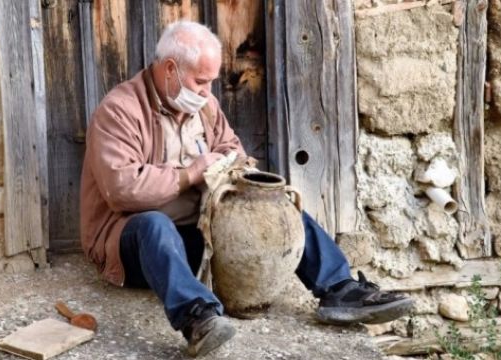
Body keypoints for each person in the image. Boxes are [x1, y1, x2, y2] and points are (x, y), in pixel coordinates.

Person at [80, 20, 413, 357]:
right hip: (130, 244)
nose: (208, 92)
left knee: (279, 204)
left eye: (210, 81)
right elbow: (122, 189)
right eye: (200, 81)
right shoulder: (120, 110)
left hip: (198, 234)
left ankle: (340, 288)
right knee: (154, 225)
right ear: (170, 69)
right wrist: (191, 172)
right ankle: (198, 318)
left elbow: (232, 150)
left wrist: (237, 167)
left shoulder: (204, 107)